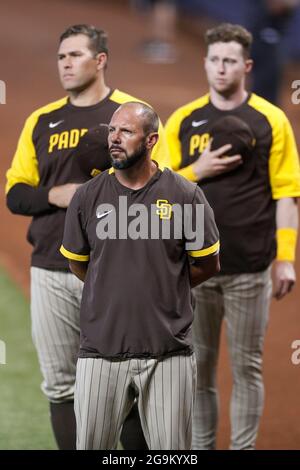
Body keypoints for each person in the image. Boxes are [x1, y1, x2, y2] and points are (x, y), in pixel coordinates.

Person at [5, 24, 170, 450]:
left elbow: (164, 189)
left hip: (116, 272)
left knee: (129, 387)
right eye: (61, 56)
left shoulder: (133, 115)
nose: (65, 63)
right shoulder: (41, 121)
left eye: (75, 55)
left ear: (100, 61)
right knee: (61, 385)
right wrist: (54, 194)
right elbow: (16, 193)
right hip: (51, 268)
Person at [165, 23, 300, 450]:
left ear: (247, 65)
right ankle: (202, 448)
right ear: (205, 62)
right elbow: (158, 193)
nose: (221, 69)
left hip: (250, 268)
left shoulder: (271, 119)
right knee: (199, 369)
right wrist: (196, 171)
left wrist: (286, 257)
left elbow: (286, 195)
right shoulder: (183, 120)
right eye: (214, 60)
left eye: (229, 61)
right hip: (195, 271)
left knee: (248, 367)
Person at [60, 101, 220, 450]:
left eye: (126, 132)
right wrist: (114, 283)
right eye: (112, 130)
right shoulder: (87, 197)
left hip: (168, 353)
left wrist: (163, 285)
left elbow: (208, 264)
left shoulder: (186, 196)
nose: (114, 139)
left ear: (151, 141)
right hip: (100, 350)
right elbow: (78, 262)